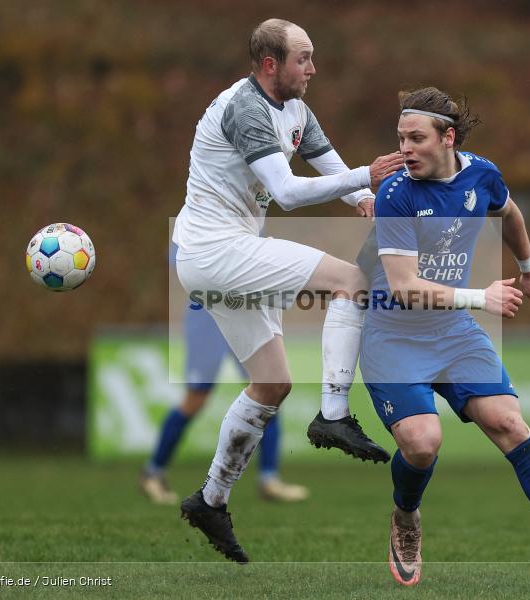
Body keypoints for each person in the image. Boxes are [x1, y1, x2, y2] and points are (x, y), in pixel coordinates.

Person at [357, 87, 530, 587]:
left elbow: (510, 212)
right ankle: (406, 517)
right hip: (394, 335)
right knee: (422, 445)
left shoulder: (482, 174)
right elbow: (406, 289)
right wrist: (482, 297)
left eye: (416, 139)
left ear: (447, 137)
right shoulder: (396, 193)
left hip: (452, 331)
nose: (404, 149)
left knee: (509, 423)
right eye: (400, 138)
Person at [174, 19, 404, 562]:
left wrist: (357, 196)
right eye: (303, 58)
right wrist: (365, 178)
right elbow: (288, 191)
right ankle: (332, 413)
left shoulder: (295, 107)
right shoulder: (246, 107)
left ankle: (210, 500)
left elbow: (326, 163)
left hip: (219, 253)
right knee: (352, 280)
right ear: (269, 64)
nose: (313, 68)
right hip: (216, 250)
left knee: (272, 382)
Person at [140, 303, 309, 505]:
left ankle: (269, 479)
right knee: (195, 400)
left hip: (246, 315)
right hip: (208, 316)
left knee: (269, 390)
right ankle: (153, 473)